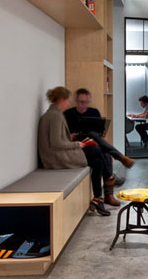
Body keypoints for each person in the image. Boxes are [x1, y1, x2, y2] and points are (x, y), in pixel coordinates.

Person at [38, 86, 112, 216]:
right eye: (67, 100)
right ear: (61, 100)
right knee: (96, 151)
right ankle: (108, 180)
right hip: (57, 158)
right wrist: (77, 144)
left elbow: (57, 140)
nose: (69, 103)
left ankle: (98, 198)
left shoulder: (54, 114)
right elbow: (56, 143)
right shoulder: (55, 116)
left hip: (57, 154)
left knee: (97, 160)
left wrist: (71, 140)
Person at [64, 88, 136, 177]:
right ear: (76, 101)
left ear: (88, 101)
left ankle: (110, 181)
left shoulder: (94, 112)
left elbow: (99, 132)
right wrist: (70, 136)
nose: (82, 105)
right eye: (80, 102)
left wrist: (102, 131)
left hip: (93, 142)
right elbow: (63, 135)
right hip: (77, 144)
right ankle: (119, 160)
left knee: (96, 140)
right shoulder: (68, 114)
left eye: (85, 102)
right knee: (103, 152)